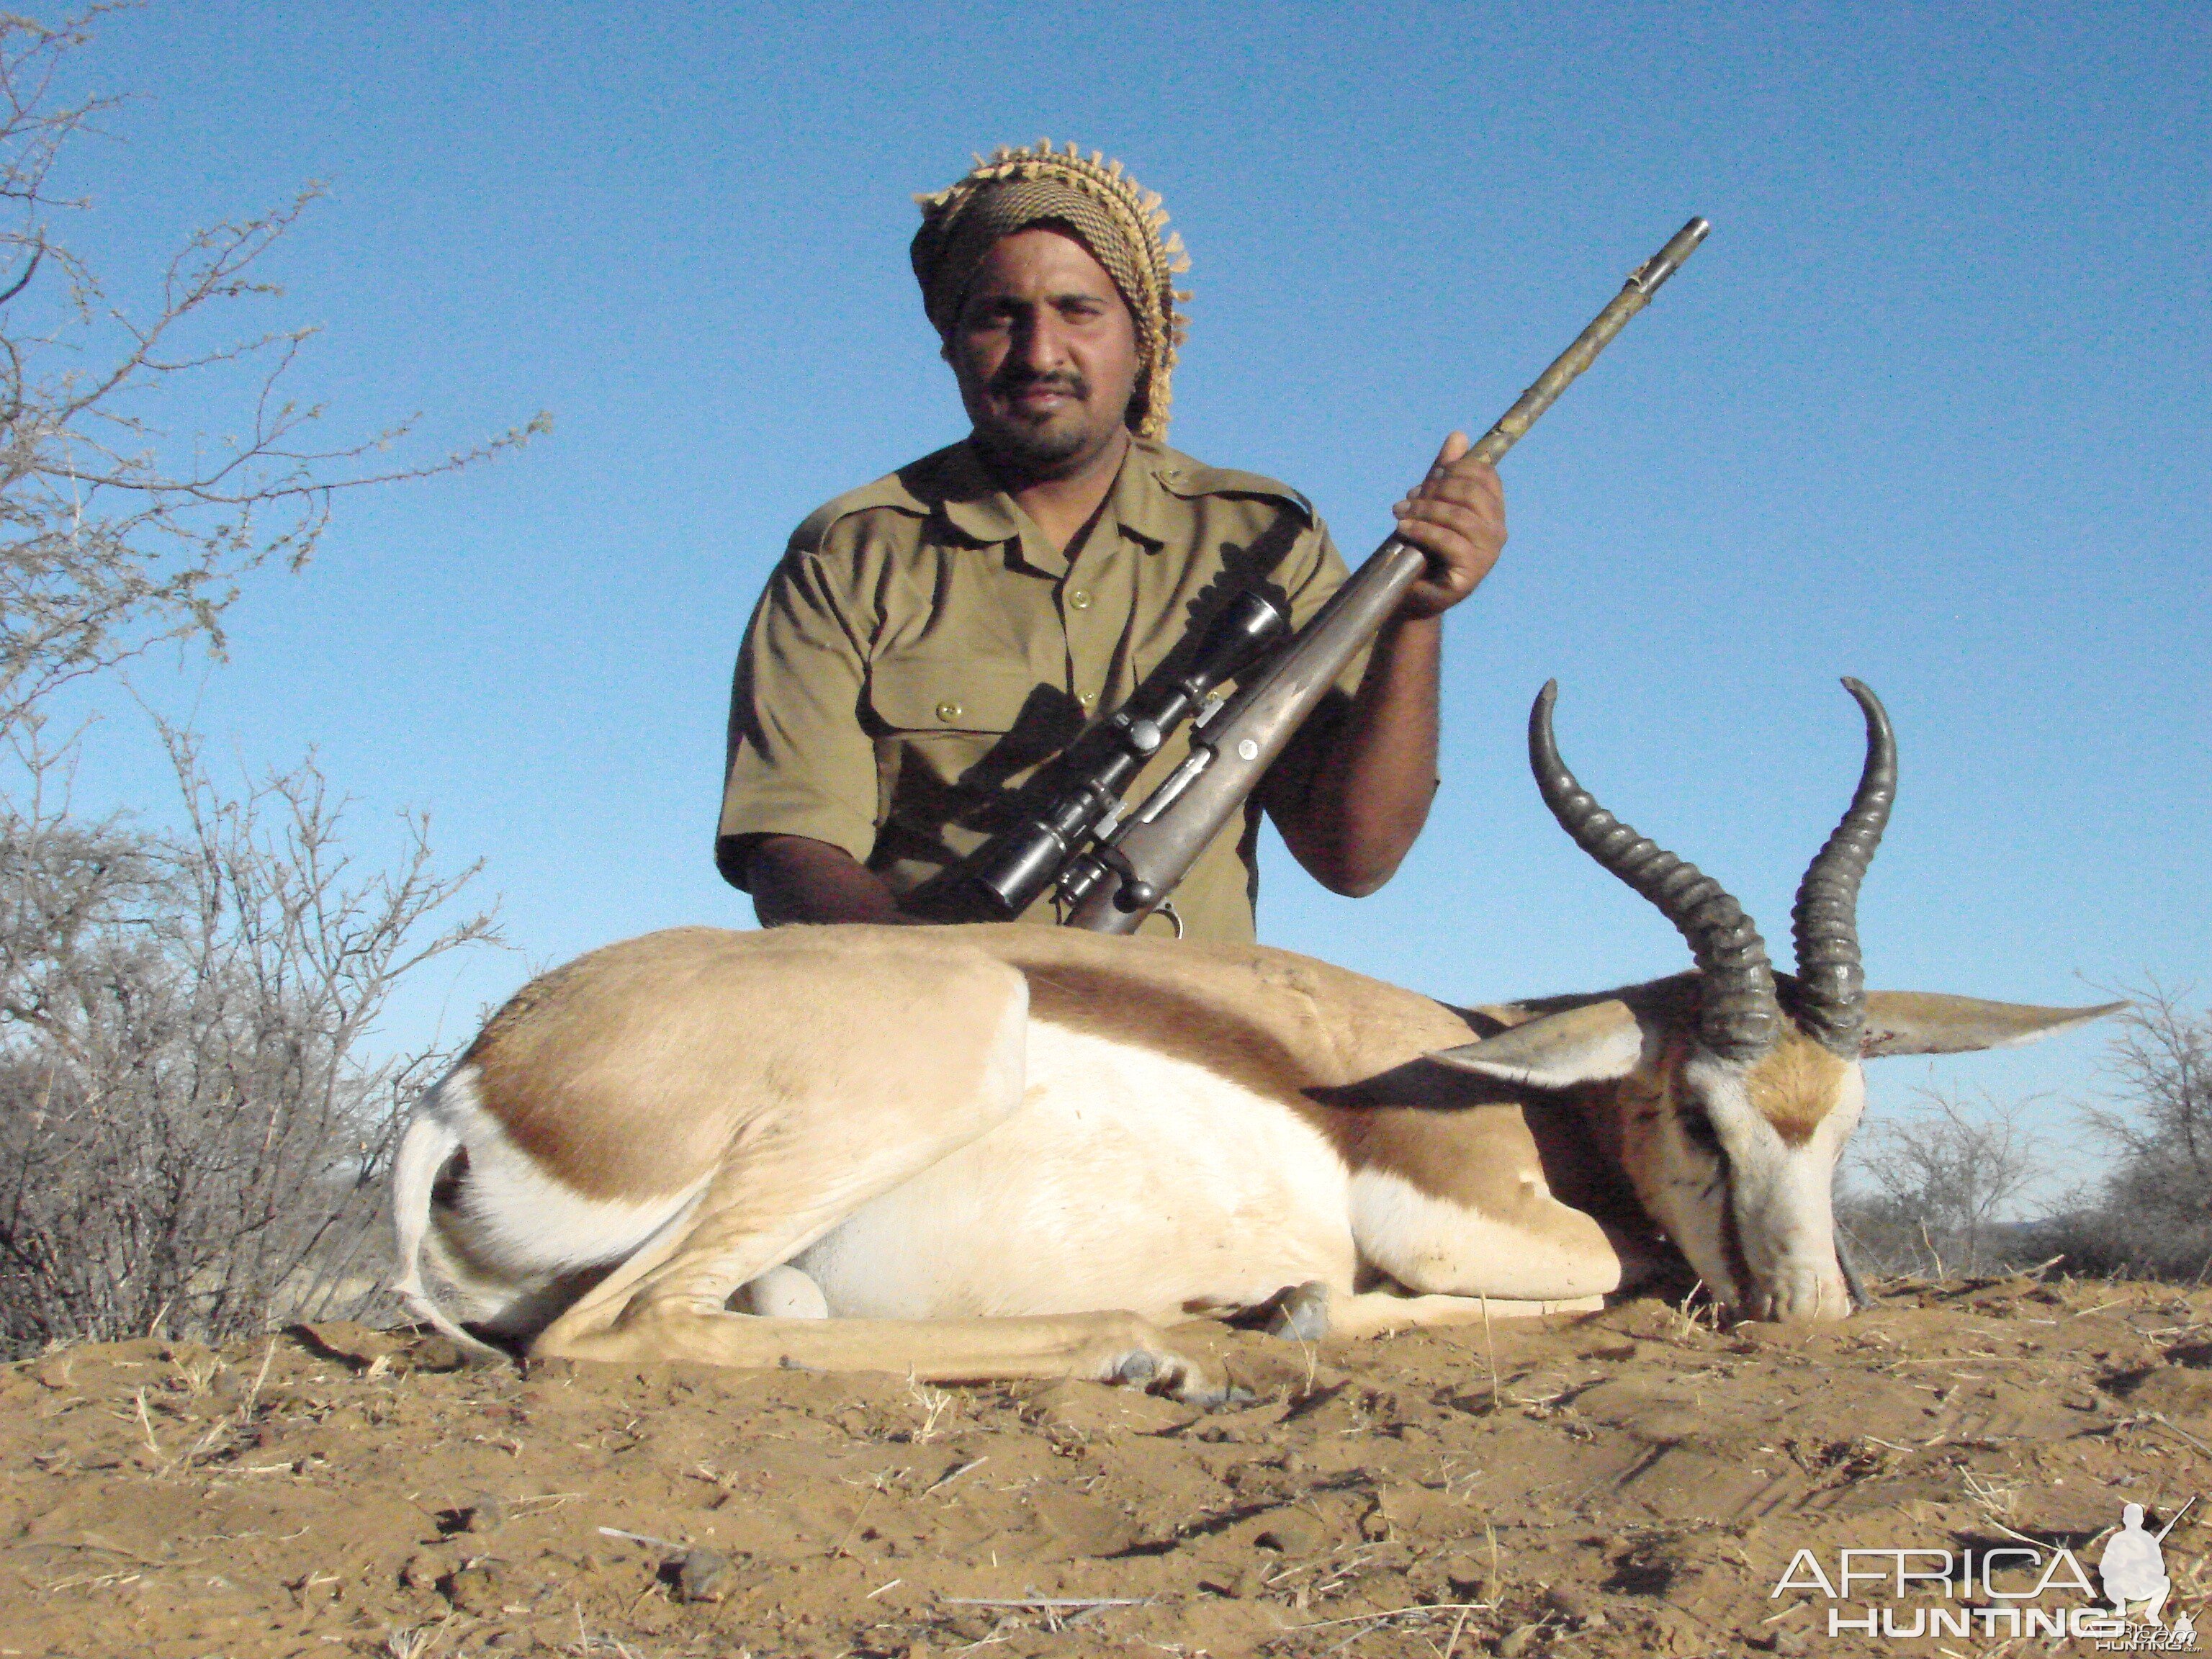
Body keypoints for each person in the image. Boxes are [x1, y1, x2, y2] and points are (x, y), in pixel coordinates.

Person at [717, 142, 1506, 942]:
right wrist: (939, 995)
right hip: (934, 1033)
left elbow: (1357, 857)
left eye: (1078, 310)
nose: (1039, 353)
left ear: (1143, 340)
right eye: (998, 315)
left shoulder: (1266, 539)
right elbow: (791, 849)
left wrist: (1416, 616)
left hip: (1183, 1043)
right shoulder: (851, 554)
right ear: (951, 342)